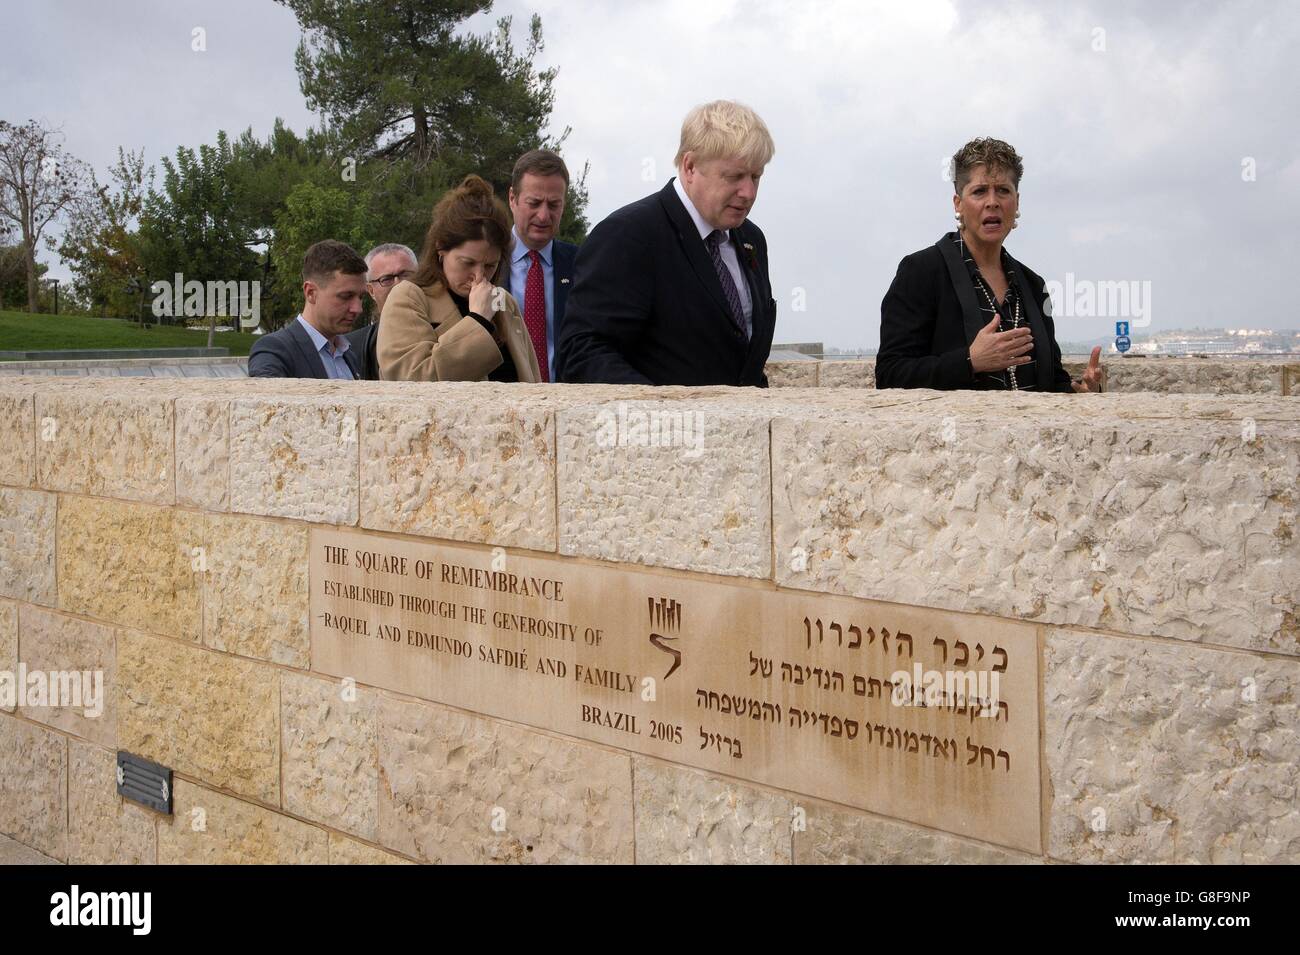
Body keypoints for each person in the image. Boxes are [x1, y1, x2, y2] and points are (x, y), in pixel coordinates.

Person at [555, 100, 777, 386]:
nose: (748, 192)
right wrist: (661, 410)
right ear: (690, 166)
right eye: (734, 176)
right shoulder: (628, 235)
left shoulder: (751, 238)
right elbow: (582, 353)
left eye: (756, 177)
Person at [876, 137, 1102, 392]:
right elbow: (890, 374)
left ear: (1016, 203)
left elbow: (1052, 380)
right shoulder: (920, 272)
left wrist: (1079, 391)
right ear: (958, 204)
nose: (992, 201)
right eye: (980, 191)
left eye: (1003, 190)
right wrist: (970, 361)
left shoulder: (1033, 284)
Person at [377, 176, 541, 383]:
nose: (479, 276)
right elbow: (411, 380)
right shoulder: (408, 297)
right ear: (440, 249)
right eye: (467, 263)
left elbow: (533, 382)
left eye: (491, 265)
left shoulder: (504, 302)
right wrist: (478, 321)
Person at [502, 149, 577, 382]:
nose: (544, 216)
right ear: (512, 199)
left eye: (554, 205)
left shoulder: (582, 265)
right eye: (534, 203)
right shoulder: (486, 265)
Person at [248, 240, 365, 379]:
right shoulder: (274, 350)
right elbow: (267, 398)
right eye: (346, 296)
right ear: (310, 292)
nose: (358, 309)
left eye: (361, 297)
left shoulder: (349, 353)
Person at [346, 243, 417, 381]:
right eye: (387, 279)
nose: (399, 285)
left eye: (405, 275)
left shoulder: (446, 334)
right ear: (371, 290)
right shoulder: (350, 350)